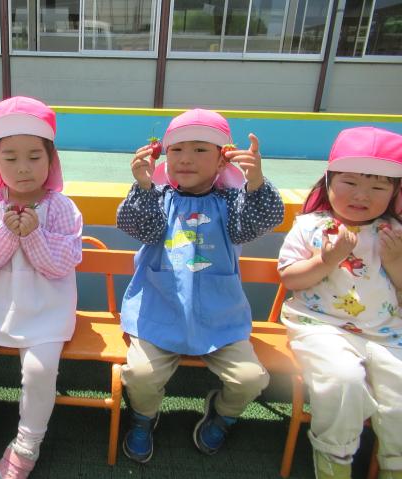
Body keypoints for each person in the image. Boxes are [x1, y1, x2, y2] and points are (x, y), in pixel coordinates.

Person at [116, 108, 284, 463]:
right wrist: (143, 186)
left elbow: (257, 223)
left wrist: (255, 183)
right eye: (176, 150)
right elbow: (138, 228)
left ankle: (222, 414)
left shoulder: (232, 203)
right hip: (159, 311)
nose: (185, 159)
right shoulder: (158, 197)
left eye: (200, 149)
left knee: (251, 379)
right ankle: (144, 417)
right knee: (140, 375)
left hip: (219, 316)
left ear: (223, 159)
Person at [0, 96, 83, 478]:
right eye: (10, 157)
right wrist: (7, 231)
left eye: (35, 157)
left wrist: (35, 236)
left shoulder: (63, 208)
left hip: (45, 309)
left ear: (51, 160)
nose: (23, 168)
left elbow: (61, 265)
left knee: (39, 371)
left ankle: (26, 444)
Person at [278, 126, 402, 479]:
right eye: (349, 182)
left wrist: (395, 263)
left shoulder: (395, 233)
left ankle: (395, 464)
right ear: (329, 181)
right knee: (342, 379)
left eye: (378, 187)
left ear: (395, 192)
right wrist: (326, 260)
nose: (362, 195)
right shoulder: (310, 227)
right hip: (320, 327)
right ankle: (335, 459)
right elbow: (290, 279)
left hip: (387, 333)